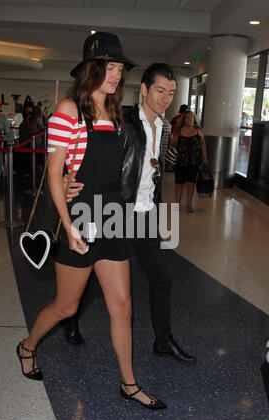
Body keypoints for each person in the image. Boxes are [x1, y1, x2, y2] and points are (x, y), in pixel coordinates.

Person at [16, 32, 166, 410]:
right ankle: (27, 346)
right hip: (80, 217)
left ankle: (129, 383)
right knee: (67, 306)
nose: (115, 75)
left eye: (119, 69)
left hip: (112, 215)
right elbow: (53, 174)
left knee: (123, 306)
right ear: (90, 69)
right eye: (108, 67)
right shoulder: (68, 110)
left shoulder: (116, 114)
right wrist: (67, 224)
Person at [65, 63, 197, 363]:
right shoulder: (121, 120)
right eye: (160, 90)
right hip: (117, 211)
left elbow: (156, 171)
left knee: (161, 279)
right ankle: (70, 316)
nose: (165, 98)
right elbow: (90, 152)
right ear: (145, 89)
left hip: (147, 212)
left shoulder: (164, 127)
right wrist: (66, 178)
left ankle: (163, 341)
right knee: (97, 278)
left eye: (171, 93)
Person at [173, 111, 208, 212]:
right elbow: (174, 144)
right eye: (188, 118)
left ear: (194, 119)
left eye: (192, 118)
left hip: (194, 161)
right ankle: (177, 204)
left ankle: (189, 205)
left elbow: (203, 145)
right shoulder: (179, 130)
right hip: (181, 161)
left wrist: (205, 157)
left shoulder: (198, 130)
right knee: (179, 183)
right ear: (184, 119)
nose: (190, 119)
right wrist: (173, 138)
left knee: (191, 183)